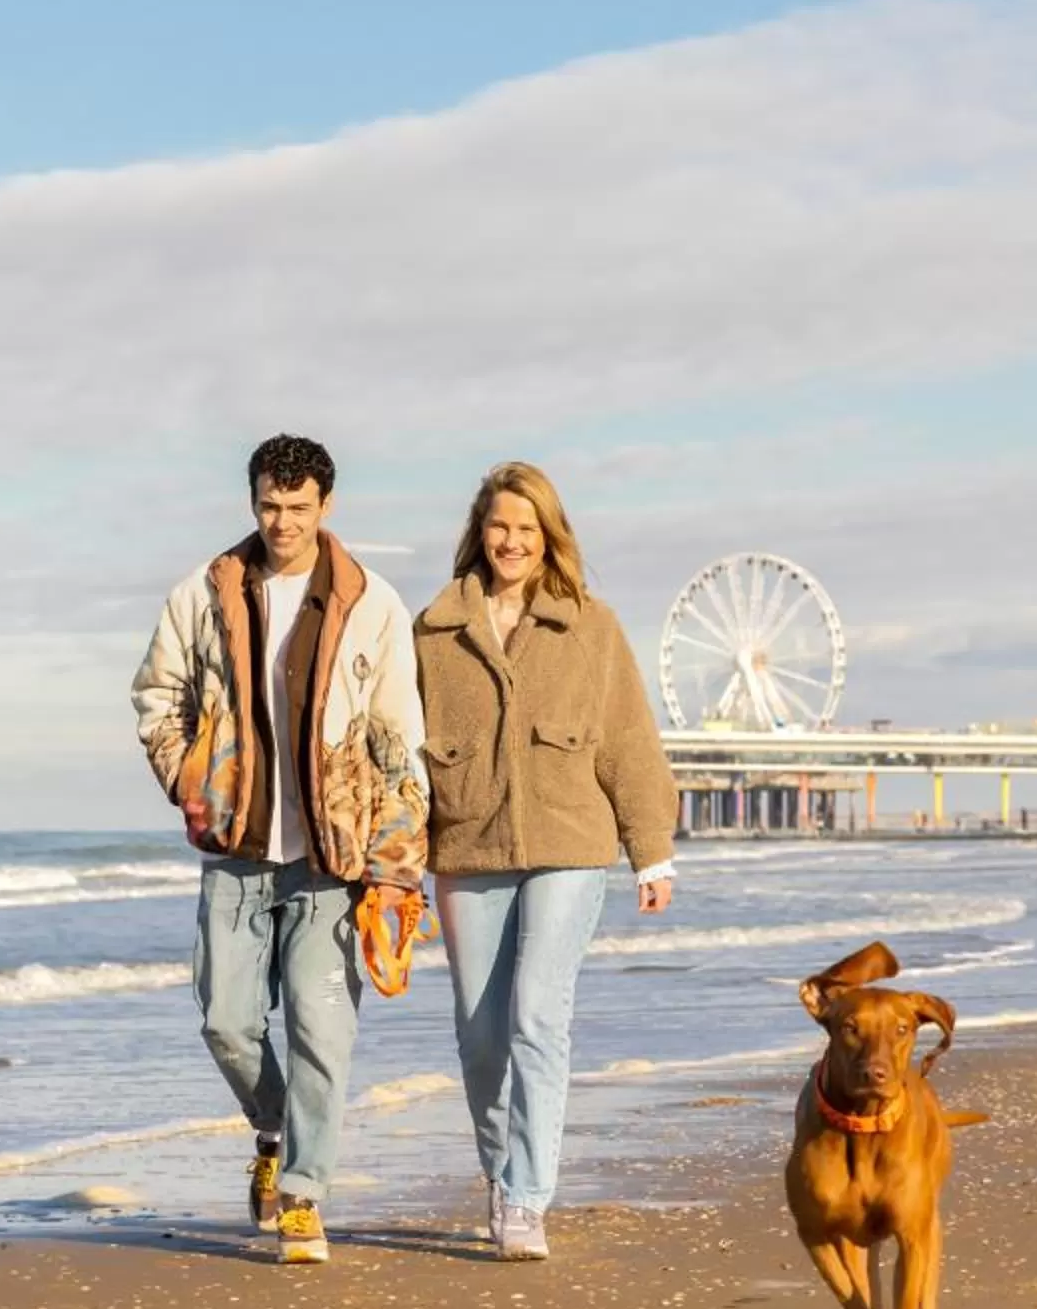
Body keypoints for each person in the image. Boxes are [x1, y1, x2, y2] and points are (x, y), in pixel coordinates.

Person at [130, 434, 429, 1264]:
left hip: (333, 858)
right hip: (235, 848)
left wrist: (398, 868)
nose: (283, 521)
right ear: (252, 501)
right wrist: (193, 779)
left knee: (319, 1031)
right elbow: (157, 695)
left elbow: (400, 740)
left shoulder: (372, 603)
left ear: (326, 506)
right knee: (226, 1021)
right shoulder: (205, 591)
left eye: (298, 508)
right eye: (270, 505)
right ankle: (274, 1129)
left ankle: (304, 1194)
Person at [411, 461, 677, 1261]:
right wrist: (392, 862)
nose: (512, 542)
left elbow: (630, 739)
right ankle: (500, 1174)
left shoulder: (590, 625)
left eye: (528, 529)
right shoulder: (434, 632)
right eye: (500, 526)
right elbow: (403, 753)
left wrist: (651, 853)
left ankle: (527, 1198)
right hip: (466, 843)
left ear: (550, 536)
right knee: (481, 1034)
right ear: (478, 532)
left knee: (535, 1015)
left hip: (570, 842)